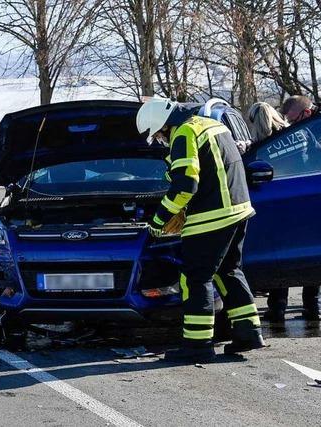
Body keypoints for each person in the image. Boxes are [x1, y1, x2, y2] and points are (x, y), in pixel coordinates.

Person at [137, 97, 266, 363]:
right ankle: (248, 332)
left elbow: (185, 185)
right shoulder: (209, 124)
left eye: (159, 136)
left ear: (162, 125)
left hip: (210, 216)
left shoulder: (184, 132)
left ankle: (198, 345)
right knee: (229, 270)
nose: (161, 141)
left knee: (195, 278)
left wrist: (159, 221)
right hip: (238, 210)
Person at [253, 97, 321, 322]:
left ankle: (280, 307)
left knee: (282, 253)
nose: (290, 123)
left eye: (294, 119)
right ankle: (312, 307)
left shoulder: (276, 141)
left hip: (282, 201)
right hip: (305, 201)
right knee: (304, 252)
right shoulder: (305, 134)